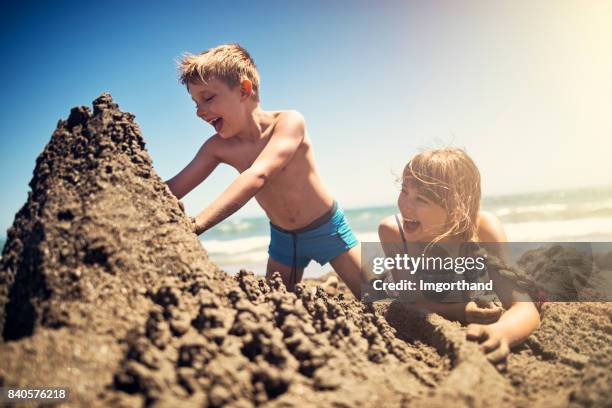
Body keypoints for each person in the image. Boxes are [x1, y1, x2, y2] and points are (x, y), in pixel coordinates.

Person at [166, 44, 364, 297]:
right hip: (283, 239)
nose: (199, 111)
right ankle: (324, 288)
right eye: (195, 103)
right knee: (276, 301)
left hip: (327, 228)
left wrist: (197, 224)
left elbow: (258, 174)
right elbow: (173, 188)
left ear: (244, 90)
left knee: (379, 297)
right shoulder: (217, 147)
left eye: (207, 98)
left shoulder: (289, 122)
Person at [377, 147, 540, 366]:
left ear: (456, 208)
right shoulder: (394, 233)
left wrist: (501, 332)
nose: (405, 205)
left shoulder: (483, 229)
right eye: (404, 190)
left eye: (421, 199)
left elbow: (523, 307)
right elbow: (413, 302)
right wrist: (461, 311)